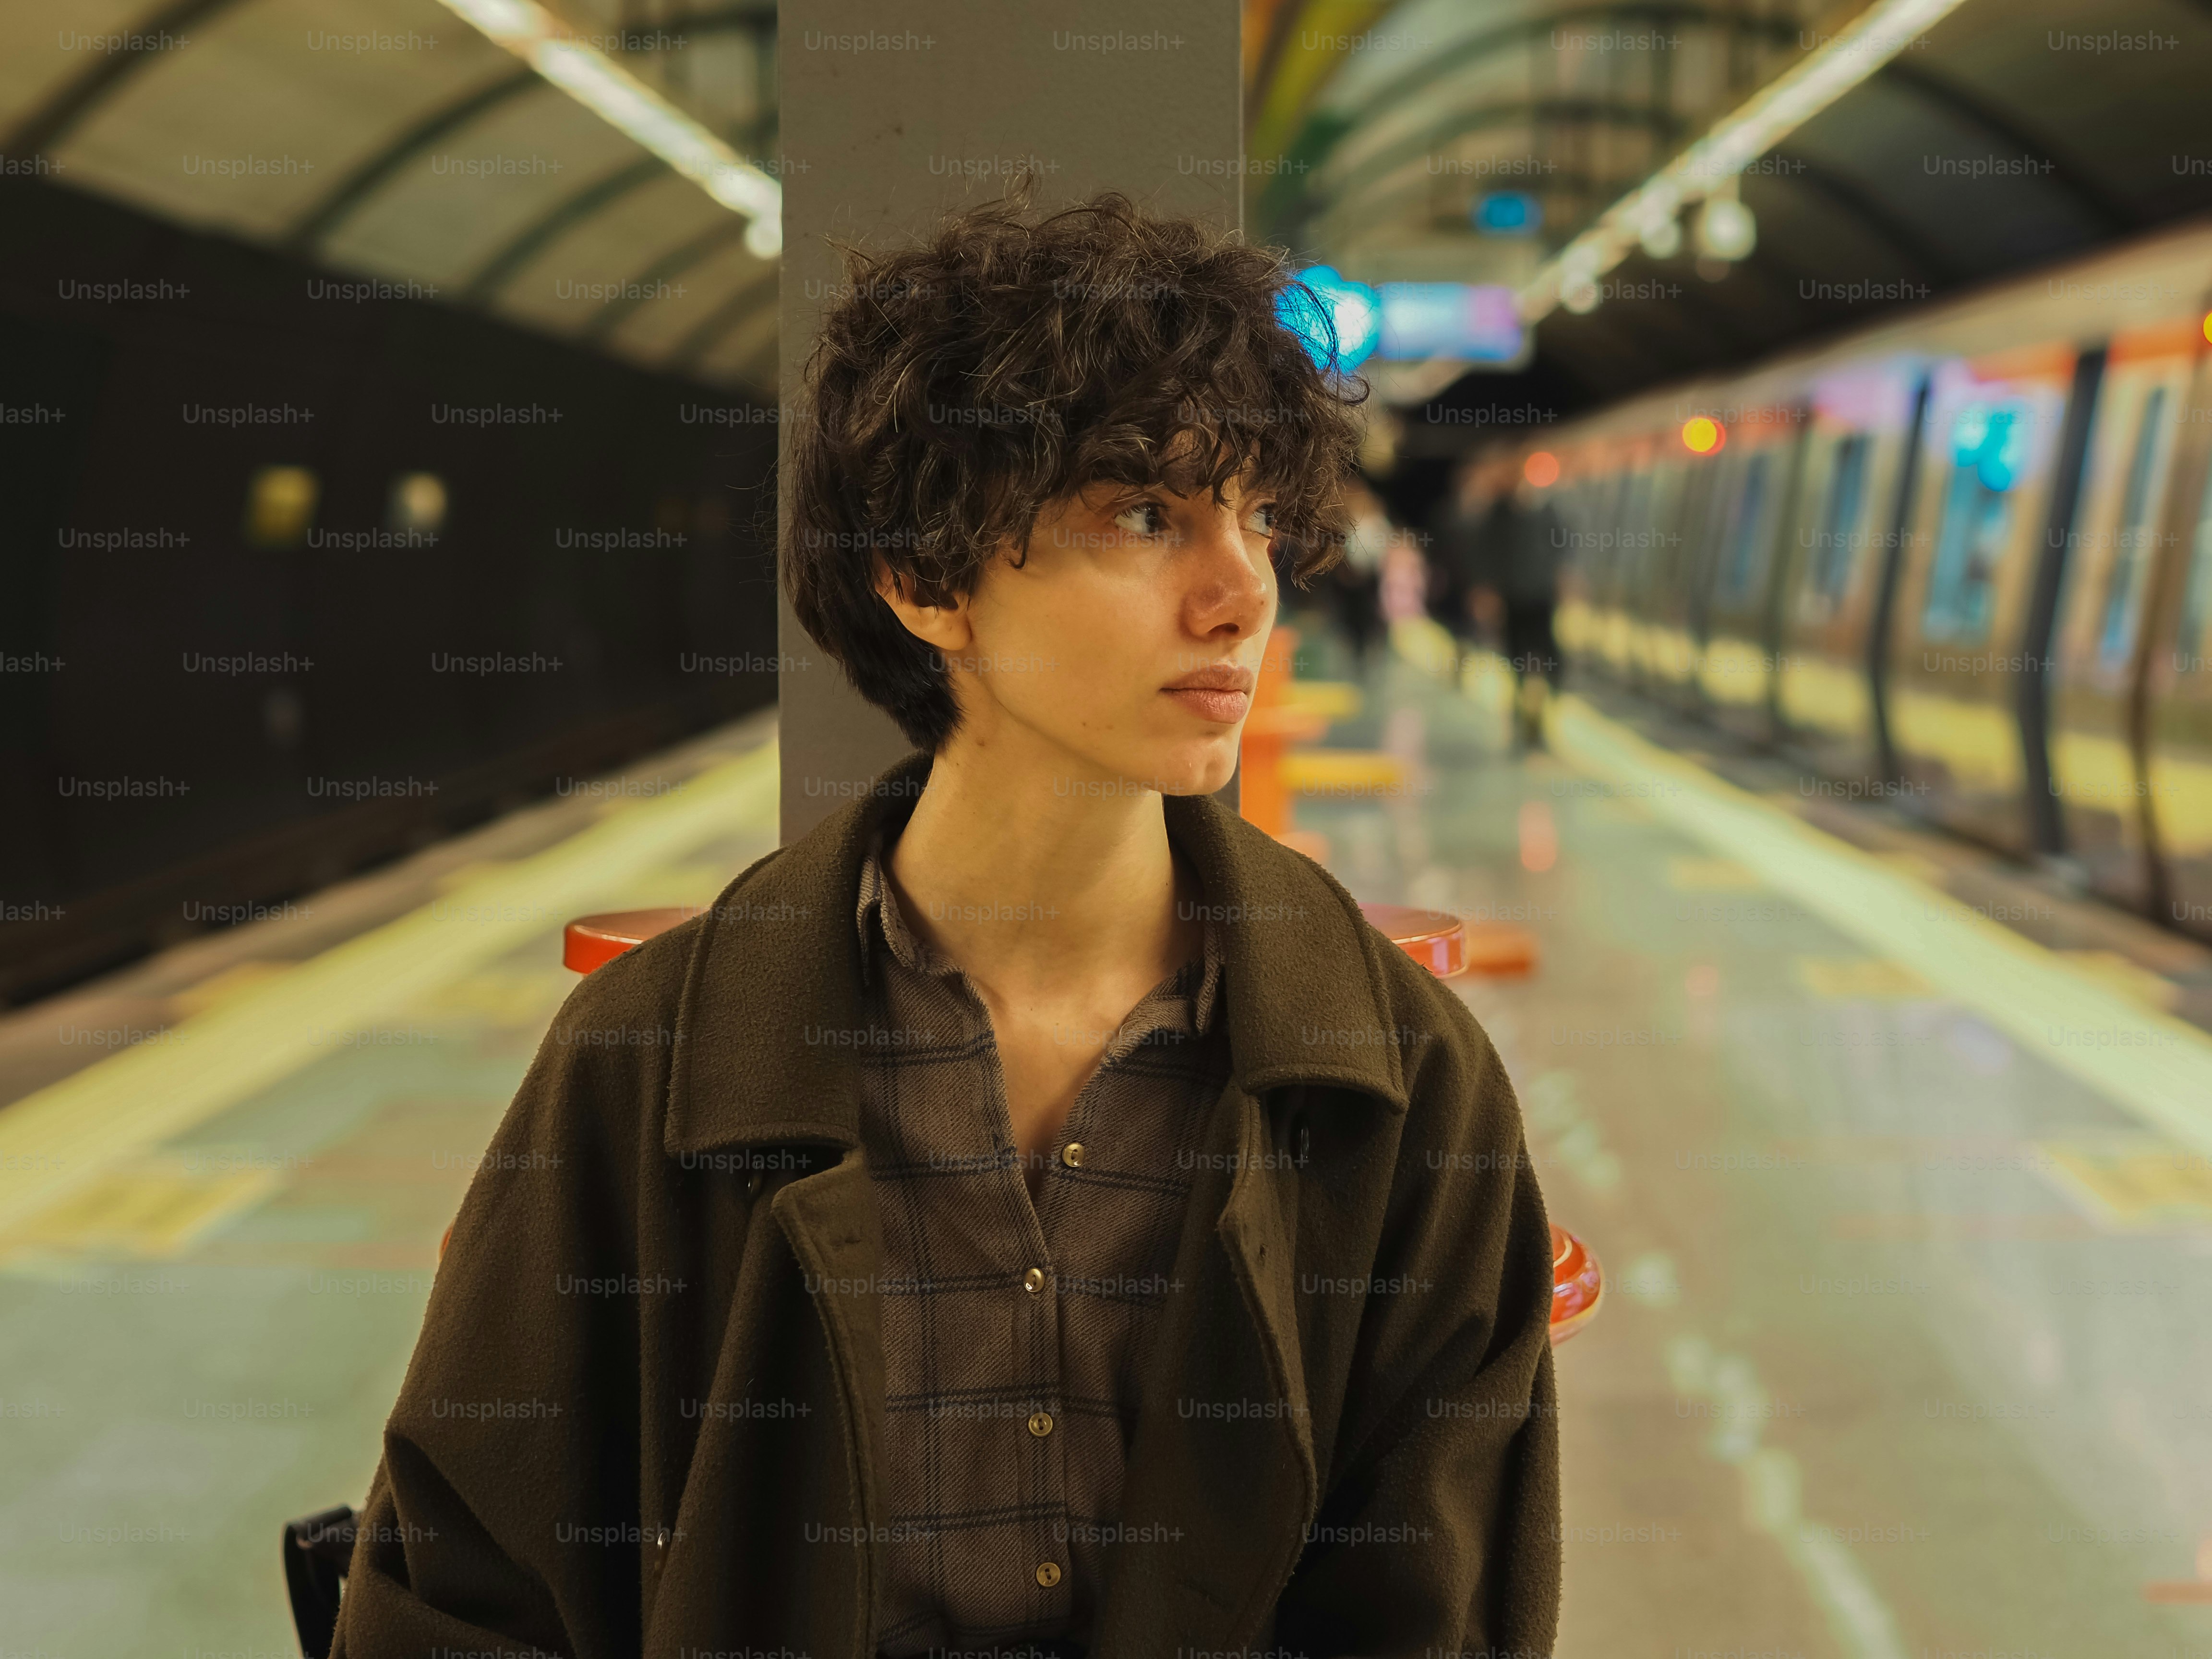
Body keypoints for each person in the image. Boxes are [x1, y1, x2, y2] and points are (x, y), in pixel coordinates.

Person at [330, 190, 1560, 1659]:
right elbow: (465, 1595)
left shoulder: (1400, 1084)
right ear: (924, 578)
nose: (1242, 595)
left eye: (1260, 518)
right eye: (1146, 514)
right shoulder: (646, 1066)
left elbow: (1444, 1617)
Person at [1470, 458, 1565, 750]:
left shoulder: (1549, 511)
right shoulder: (1498, 514)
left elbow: (1561, 549)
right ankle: (1522, 705)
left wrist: (1562, 580)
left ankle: (1543, 709)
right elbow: (1486, 553)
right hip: (1512, 597)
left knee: (1547, 654)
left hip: (1541, 596)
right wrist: (1487, 591)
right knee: (1516, 654)